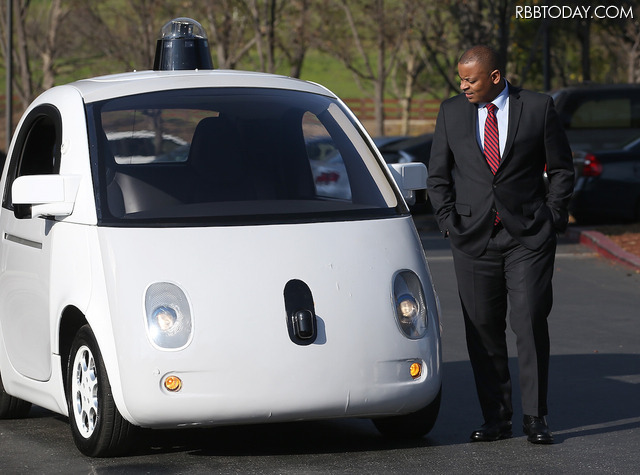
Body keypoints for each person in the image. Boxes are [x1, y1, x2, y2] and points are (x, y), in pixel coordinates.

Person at [427, 45, 574, 444]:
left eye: (470, 79)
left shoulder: (538, 107)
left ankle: (534, 417)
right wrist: (448, 224)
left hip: (527, 236)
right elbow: (437, 176)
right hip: (472, 239)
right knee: (482, 330)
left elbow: (561, 168)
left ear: (494, 77)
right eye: (460, 78)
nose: (463, 85)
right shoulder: (451, 112)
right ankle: (496, 417)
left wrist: (553, 216)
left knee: (527, 322)